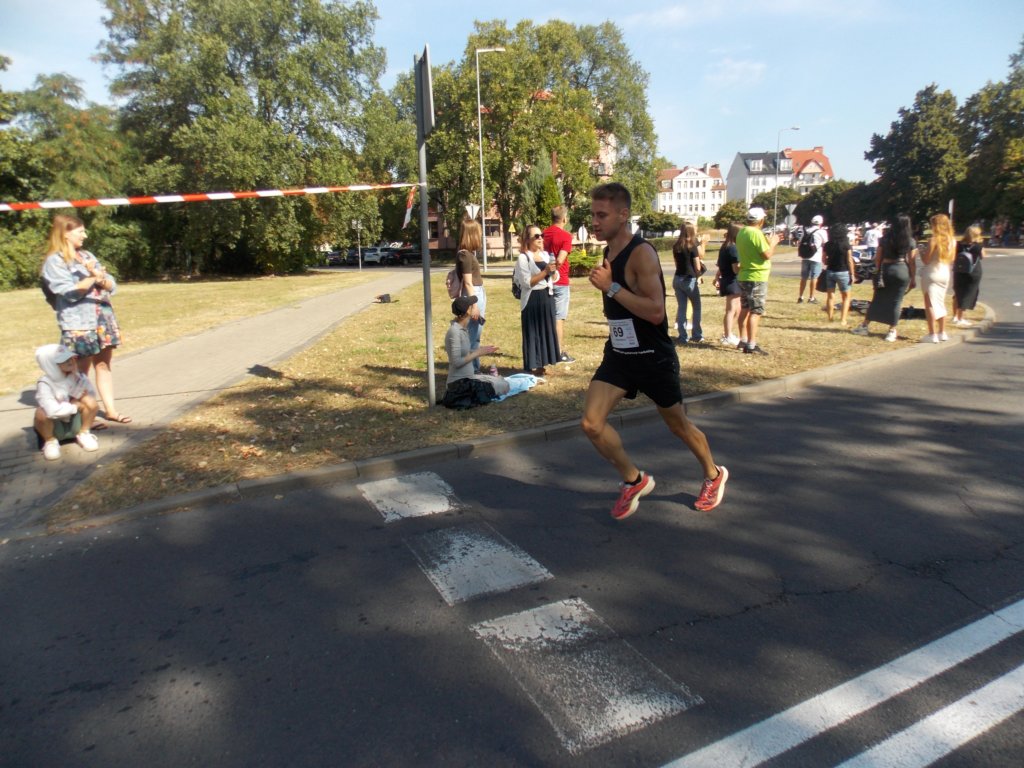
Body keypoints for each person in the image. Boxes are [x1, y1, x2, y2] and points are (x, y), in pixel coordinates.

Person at [581, 182, 727, 519]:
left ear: (623, 214)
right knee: (591, 423)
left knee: (678, 425)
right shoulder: (609, 252)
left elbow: (656, 312)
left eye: (602, 215)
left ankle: (713, 474)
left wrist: (610, 287)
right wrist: (610, 291)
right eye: (593, 215)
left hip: (652, 356)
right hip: (620, 354)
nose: (595, 222)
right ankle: (634, 480)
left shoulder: (641, 252)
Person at [40, 213, 131, 424]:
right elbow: (69, 293)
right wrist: (92, 278)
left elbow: (111, 284)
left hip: (102, 318)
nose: (85, 235)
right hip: (79, 324)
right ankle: (83, 418)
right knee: (79, 372)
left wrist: (101, 279)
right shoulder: (55, 261)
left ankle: (110, 410)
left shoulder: (87, 255)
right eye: (80, 231)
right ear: (65, 234)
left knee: (103, 365)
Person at [852, 213, 916, 342]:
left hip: (886, 269)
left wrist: (877, 270)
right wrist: (913, 278)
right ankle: (892, 330)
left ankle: (865, 325)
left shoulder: (885, 238)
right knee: (896, 301)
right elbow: (912, 261)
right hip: (902, 269)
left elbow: (878, 258)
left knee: (877, 298)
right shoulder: (910, 240)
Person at [33, 343, 100, 460]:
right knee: (40, 413)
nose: (70, 362)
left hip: (74, 421)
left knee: (90, 401)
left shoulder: (77, 376)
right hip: (55, 424)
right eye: (64, 360)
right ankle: (50, 441)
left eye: (71, 358)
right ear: (50, 365)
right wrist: (74, 406)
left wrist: (81, 398)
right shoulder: (45, 383)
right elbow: (52, 411)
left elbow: (90, 396)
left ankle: (84, 433)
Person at [515, 224, 561, 375]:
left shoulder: (546, 255)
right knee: (533, 332)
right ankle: (532, 366)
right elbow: (527, 283)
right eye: (536, 236)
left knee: (546, 331)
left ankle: (543, 365)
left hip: (547, 296)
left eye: (542, 235)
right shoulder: (523, 258)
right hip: (532, 299)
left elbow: (554, 278)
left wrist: (553, 272)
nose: (541, 238)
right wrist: (545, 271)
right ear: (528, 239)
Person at [443, 295, 509, 398]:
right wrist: (477, 353)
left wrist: (481, 350)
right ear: (468, 311)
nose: (474, 307)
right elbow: (457, 362)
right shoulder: (454, 332)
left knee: (501, 382)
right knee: (503, 386)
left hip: (469, 378)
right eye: (471, 305)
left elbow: (464, 352)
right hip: (459, 384)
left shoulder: (462, 329)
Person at [736, 207, 781, 355]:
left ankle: (743, 339)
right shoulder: (756, 233)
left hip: (744, 275)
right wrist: (773, 242)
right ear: (761, 220)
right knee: (755, 311)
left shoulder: (742, 232)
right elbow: (766, 255)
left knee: (745, 308)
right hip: (756, 276)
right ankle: (751, 344)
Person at [542, 205, 575, 363]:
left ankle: (545, 350)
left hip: (543, 280)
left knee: (545, 316)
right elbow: (560, 260)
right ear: (564, 219)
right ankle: (558, 352)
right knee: (558, 318)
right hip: (560, 281)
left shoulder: (543, 234)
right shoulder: (566, 236)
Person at [916, 213, 955, 343]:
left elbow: (926, 260)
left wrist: (921, 251)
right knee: (940, 301)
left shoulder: (933, 240)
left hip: (932, 273)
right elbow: (952, 258)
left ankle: (932, 333)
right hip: (944, 272)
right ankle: (942, 332)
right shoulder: (952, 240)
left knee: (930, 304)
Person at [455, 218, 486, 372]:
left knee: (474, 335)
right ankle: (472, 370)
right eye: (479, 233)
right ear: (472, 234)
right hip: (473, 294)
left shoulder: (466, 254)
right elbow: (468, 282)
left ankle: (473, 368)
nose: (480, 236)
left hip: (475, 293)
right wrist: (474, 305)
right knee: (472, 336)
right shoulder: (465, 255)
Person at [670, 223, 707, 344]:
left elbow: (676, 264)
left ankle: (682, 336)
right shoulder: (692, 246)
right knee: (696, 307)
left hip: (677, 278)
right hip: (689, 279)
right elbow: (697, 266)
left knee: (682, 307)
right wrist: (699, 275)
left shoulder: (676, 246)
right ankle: (697, 335)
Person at [713, 223, 742, 346]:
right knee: (731, 310)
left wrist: (717, 277)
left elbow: (721, 265)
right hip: (732, 281)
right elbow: (736, 269)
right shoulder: (733, 248)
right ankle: (727, 335)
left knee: (737, 309)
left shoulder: (725, 246)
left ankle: (728, 333)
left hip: (728, 280)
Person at [822, 222, 856, 325]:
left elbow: (824, 260)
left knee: (830, 296)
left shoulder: (828, 244)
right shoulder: (846, 244)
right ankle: (843, 320)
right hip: (843, 272)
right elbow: (849, 260)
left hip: (830, 271)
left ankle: (830, 318)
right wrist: (852, 274)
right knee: (846, 297)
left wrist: (829, 262)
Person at [952, 225, 985, 327]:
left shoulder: (959, 244)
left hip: (959, 271)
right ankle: (960, 317)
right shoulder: (978, 246)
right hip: (972, 272)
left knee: (957, 293)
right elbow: (983, 256)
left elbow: (953, 256)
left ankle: (955, 316)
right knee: (967, 295)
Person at [797, 214, 828, 304]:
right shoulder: (822, 232)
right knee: (814, 277)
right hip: (816, 257)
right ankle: (811, 297)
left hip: (805, 256)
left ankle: (800, 297)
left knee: (804, 277)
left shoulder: (806, 231)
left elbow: (800, 242)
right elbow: (826, 244)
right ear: (821, 223)